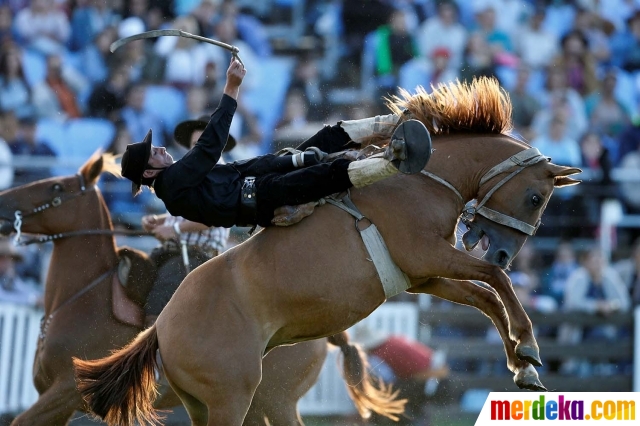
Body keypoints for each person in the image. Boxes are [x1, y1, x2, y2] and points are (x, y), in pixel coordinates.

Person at [120, 58, 432, 229]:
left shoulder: (178, 181)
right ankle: (393, 160)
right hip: (263, 197)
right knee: (323, 174)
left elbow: (238, 166)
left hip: (262, 180)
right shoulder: (172, 184)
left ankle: (396, 121)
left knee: (328, 136)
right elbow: (209, 149)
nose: (159, 149)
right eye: (152, 154)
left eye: (154, 147)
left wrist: (292, 158)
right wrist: (231, 89)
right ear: (148, 174)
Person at [140, 114, 236, 326]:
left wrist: (174, 229)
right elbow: (188, 212)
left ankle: (154, 352)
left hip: (201, 255)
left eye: (203, 144)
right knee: (136, 277)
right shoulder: (192, 171)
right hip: (178, 251)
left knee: (159, 300)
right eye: (195, 144)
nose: (198, 149)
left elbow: (213, 215)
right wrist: (161, 220)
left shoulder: (217, 170)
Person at [350, 323, 449, 425]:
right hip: (432, 380)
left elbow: (387, 380)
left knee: (389, 394)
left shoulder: (383, 352)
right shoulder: (390, 344)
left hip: (433, 381)